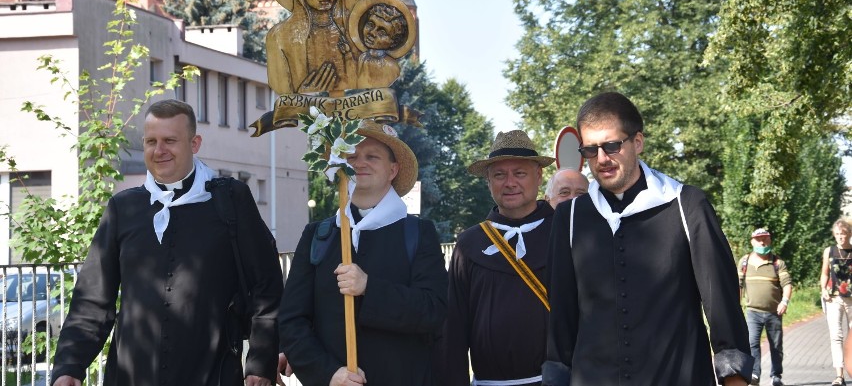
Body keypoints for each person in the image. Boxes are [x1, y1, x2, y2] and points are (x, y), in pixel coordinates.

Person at [51, 99, 284, 386]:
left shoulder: (231, 200)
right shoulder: (123, 208)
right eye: (151, 141)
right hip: (131, 376)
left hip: (211, 373)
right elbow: (92, 298)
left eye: (170, 141)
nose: (159, 151)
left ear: (194, 143)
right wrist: (69, 367)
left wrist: (260, 363)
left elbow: (266, 285)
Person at [544, 91, 753, 385]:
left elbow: (721, 301)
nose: (602, 159)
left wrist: (734, 376)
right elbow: (561, 318)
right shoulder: (570, 217)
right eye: (590, 150)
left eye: (612, 146)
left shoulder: (687, 205)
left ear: (637, 142)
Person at [277, 120, 447, 386]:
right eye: (351, 156)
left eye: (372, 156)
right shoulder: (318, 234)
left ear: (393, 169)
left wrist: (370, 287)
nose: (360, 162)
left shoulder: (417, 233)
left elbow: (433, 311)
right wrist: (329, 373)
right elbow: (292, 321)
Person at [440, 129, 556, 386]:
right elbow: (453, 329)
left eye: (520, 173)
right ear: (488, 182)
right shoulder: (470, 243)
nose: (510, 182)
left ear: (538, 176)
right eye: (499, 175)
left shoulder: (564, 234)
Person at [739, 227, 792, 386]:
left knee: (776, 346)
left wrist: (784, 301)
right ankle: (755, 374)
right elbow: (739, 285)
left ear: (770, 240)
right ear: (752, 241)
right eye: (759, 239)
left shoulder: (777, 262)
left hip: (774, 312)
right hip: (752, 312)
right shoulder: (745, 262)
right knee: (752, 343)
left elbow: (787, 284)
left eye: (765, 239)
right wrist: (736, 305)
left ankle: (776, 376)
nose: (762, 242)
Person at [821, 218, 852, 386]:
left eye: (844, 234)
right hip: (833, 298)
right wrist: (823, 289)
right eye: (838, 234)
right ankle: (839, 375)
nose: (841, 237)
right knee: (836, 336)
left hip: (851, 299)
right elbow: (825, 273)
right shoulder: (829, 251)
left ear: (849, 234)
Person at [355, 2, 408, 89]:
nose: (372, 33)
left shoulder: (392, 67)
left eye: (382, 32)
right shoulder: (361, 59)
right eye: (370, 25)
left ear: (393, 42)